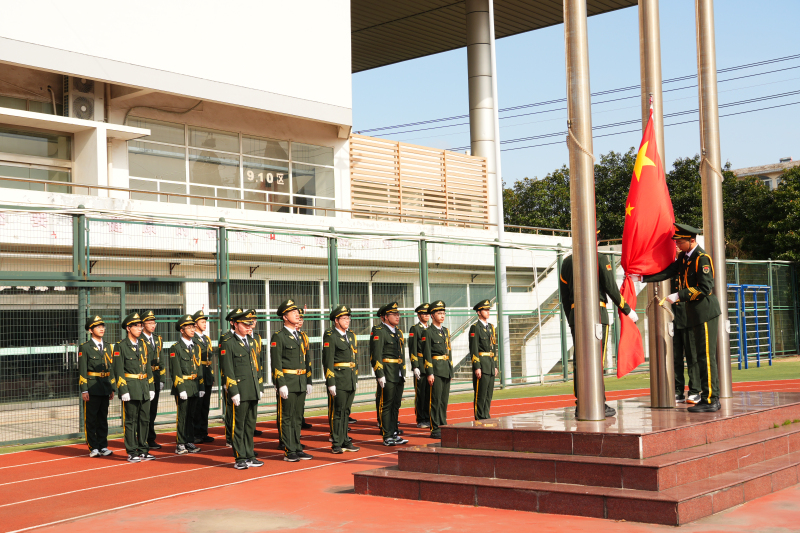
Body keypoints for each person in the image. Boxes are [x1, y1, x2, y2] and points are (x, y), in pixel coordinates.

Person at [632, 222, 722, 413]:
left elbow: (705, 288)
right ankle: (707, 397)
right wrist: (642, 278)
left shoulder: (702, 258)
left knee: (705, 357)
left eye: (680, 242)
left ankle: (711, 399)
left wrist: (678, 295)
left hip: (705, 312)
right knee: (700, 356)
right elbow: (669, 272)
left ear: (692, 241)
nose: (677, 246)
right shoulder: (684, 257)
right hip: (694, 313)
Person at [559, 230, 638, 418]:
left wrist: (571, 317)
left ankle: (581, 402)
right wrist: (627, 309)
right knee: (596, 360)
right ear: (597, 241)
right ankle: (597, 402)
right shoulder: (600, 259)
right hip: (597, 315)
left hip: (575, 315)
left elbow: (564, 296)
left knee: (580, 361)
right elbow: (611, 288)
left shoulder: (567, 262)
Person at [219, 309, 265, 469]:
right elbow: (228, 369)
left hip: (252, 389)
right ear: (236, 324)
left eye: (250, 324)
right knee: (238, 425)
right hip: (239, 389)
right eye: (245, 324)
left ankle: (250, 455)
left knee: (250, 425)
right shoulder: (228, 343)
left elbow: (256, 366)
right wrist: (233, 391)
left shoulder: (251, 341)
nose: (249, 327)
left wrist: (259, 386)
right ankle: (240, 458)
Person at [271, 300, 314, 462]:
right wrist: (280, 383)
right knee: (287, 417)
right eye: (293, 312)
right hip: (288, 382)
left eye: (297, 312)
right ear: (285, 317)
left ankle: (297, 447)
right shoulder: (279, 336)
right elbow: (276, 363)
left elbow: (306, 360)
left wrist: (308, 380)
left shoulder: (300, 336)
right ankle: (289, 450)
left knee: (297, 417)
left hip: (300, 381)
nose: (297, 314)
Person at [113, 313, 155, 462]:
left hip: (144, 387)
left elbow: (148, 367)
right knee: (131, 421)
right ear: (128, 328)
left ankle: (143, 449)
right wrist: (123, 390)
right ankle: (131, 451)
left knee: (145, 419)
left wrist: (151, 387)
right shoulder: (121, 346)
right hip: (130, 388)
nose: (139, 328)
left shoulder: (143, 344)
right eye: (136, 326)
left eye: (140, 326)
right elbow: (118, 370)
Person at [323, 305, 361, 454]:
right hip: (338, 379)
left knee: (346, 411)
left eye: (348, 318)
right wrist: (331, 382)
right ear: (336, 320)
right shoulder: (331, 336)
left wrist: (355, 377)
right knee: (338, 412)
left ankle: (345, 440)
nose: (347, 320)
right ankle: (337, 442)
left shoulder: (350, 335)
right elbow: (328, 361)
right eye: (344, 318)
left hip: (349, 378)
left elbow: (354, 358)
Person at [370, 302, 408, 446]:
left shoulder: (398, 332)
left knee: (396, 404)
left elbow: (401, 353)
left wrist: (403, 371)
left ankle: (394, 432)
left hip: (398, 372)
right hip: (387, 372)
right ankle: (387, 435)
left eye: (398, 314)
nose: (398, 316)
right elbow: (376, 354)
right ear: (385, 317)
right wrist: (379, 374)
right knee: (386, 404)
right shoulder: (379, 331)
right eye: (394, 314)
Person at [78, 315, 115, 457]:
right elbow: (82, 369)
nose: (102, 329)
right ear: (90, 330)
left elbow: (111, 368)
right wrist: (84, 389)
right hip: (92, 386)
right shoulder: (85, 347)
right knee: (91, 418)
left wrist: (112, 387)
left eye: (102, 326)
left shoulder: (108, 346)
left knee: (103, 419)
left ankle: (103, 446)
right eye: (98, 327)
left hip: (105, 386)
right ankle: (93, 447)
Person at [170, 314, 204, 454]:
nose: (192, 330)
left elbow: (199, 368)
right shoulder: (176, 348)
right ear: (182, 330)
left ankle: (189, 441)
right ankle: (180, 443)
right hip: (183, 385)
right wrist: (181, 388)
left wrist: (201, 386)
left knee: (191, 416)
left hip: (194, 385)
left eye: (193, 327)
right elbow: (175, 370)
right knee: (182, 416)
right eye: (189, 327)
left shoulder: (196, 347)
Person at [423, 300, 452, 439]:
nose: (442, 315)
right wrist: (429, 373)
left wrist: (450, 369)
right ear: (432, 315)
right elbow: (427, 353)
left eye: (443, 313)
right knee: (435, 400)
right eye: (439, 313)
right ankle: (435, 428)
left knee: (444, 400)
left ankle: (443, 424)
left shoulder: (445, 331)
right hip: (436, 369)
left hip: (445, 368)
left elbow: (449, 351)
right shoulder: (428, 332)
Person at [671, 275, 700, 403]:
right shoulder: (672, 271)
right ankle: (678, 391)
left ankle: (695, 391)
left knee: (692, 356)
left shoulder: (689, 269)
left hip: (689, 317)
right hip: (673, 317)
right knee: (675, 358)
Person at [141, 311, 165, 450]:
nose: (152, 325)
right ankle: (142, 438)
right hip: (144, 378)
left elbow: (161, 360)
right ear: (143, 324)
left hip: (155, 377)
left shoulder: (157, 339)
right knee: (144, 411)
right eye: (149, 323)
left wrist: (162, 378)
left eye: (154, 323)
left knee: (153, 411)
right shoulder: (139, 339)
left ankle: (150, 438)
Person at [470, 299, 498, 420]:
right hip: (482, 364)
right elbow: (474, 348)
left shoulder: (491, 327)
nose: (488, 312)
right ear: (478, 312)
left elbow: (494, 347)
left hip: (490, 364)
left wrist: (495, 365)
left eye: (488, 310)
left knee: (488, 393)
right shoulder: (475, 327)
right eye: (485, 310)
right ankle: (480, 417)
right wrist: (477, 367)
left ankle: (486, 415)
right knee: (480, 394)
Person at [191, 310, 215, 443]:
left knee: (206, 405)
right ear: (195, 324)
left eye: (205, 322)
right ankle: (195, 433)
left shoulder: (206, 339)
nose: (205, 324)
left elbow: (209, 359)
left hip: (207, 374)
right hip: (198, 374)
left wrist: (211, 375)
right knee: (198, 405)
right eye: (202, 322)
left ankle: (203, 432)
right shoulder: (193, 339)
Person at [220, 308, 243, 448]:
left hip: (244, 380)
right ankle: (230, 437)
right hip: (231, 380)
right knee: (230, 410)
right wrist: (225, 381)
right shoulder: (226, 338)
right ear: (233, 322)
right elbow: (225, 362)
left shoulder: (249, 337)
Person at [409, 303, 430, 428]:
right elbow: (413, 349)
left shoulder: (431, 329)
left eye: (428, 313)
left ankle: (429, 417)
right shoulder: (415, 329)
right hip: (421, 364)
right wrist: (415, 366)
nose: (426, 315)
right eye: (424, 313)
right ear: (418, 315)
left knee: (429, 393)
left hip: (430, 365)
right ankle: (421, 419)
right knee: (421, 393)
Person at [297, 309, 312, 431]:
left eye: (302, 319)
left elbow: (307, 359)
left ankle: (301, 420)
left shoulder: (303, 335)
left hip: (302, 374)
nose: (300, 321)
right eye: (298, 318)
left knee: (301, 402)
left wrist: (309, 380)